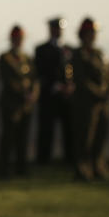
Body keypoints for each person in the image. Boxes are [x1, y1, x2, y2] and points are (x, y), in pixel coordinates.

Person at [71, 18, 109, 181]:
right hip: (86, 104)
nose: (92, 36)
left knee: (100, 136)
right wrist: (99, 93)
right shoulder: (78, 55)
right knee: (85, 138)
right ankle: (83, 169)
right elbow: (81, 79)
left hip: (102, 103)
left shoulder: (100, 54)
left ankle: (98, 167)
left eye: (93, 33)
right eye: (89, 33)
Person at [0, 25, 38, 178]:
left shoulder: (27, 58)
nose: (19, 41)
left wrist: (33, 93)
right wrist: (23, 93)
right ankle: (4, 169)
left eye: (21, 38)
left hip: (26, 105)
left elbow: (35, 78)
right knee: (9, 137)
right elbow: (8, 80)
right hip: (11, 103)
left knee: (23, 137)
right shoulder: (5, 57)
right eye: (16, 38)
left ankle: (22, 168)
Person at [34, 17, 74, 165]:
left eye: (60, 28)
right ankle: (43, 160)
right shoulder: (41, 49)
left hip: (66, 97)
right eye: (55, 28)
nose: (58, 31)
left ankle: (70, 159)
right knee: (46, 130)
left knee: (69, 130)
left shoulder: (69, 49)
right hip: (49, 95)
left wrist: (69, 86)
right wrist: (56, 86)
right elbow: (41, 72)